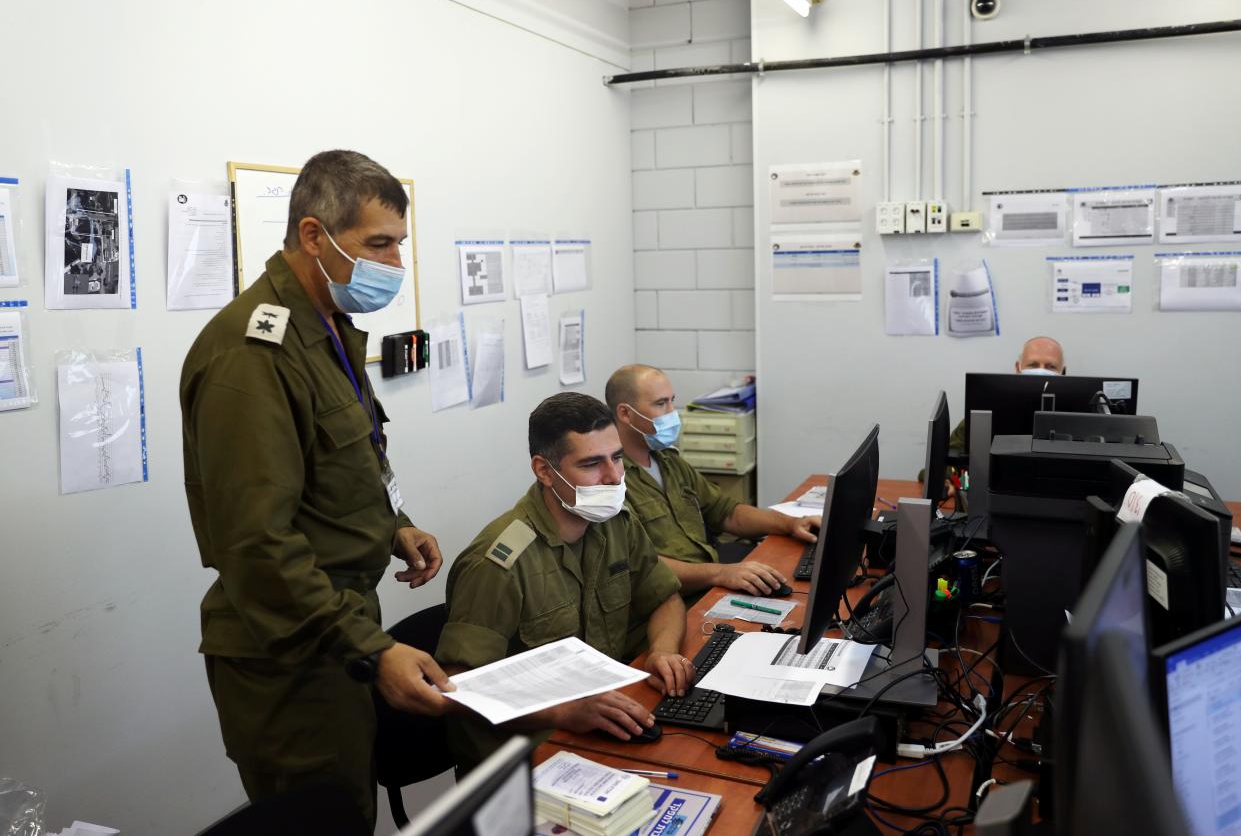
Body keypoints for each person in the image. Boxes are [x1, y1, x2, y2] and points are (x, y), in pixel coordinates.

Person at [180, 150, 453, 828]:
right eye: (378, 244)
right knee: (327, 817)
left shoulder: (328, 326)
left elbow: (345, 462)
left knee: (352, 806)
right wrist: (371, 647)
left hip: (336, 629)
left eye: (399, 245)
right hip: (288, 654)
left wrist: (396, 524)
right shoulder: (252, 352)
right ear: (312, 235)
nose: (393, 264)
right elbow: (257, 543)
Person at [435, 393, 692, 771]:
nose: (614, 477)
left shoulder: (615, 523)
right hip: (525, 758)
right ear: (544, 470)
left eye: (617, 457)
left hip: (598, 728)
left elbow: (664, 596)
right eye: (591, 464)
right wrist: (565, 711)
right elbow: (459, 687)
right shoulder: (499, 562)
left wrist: (663, 651)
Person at [605, 364, 820, 599]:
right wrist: (720, 573)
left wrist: (790, 524)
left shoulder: (669, 461)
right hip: (672, 599)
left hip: (709, 583)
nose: (671, 412)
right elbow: (642, 566)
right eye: (660, 404)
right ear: (625, 413)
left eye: (671, 401)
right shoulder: (612, 481)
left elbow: (726, 512)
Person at [942, 336, 1067, 458]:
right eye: (1033, 365)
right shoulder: (987, 410)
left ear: (1063, 372)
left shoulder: (1078, 415)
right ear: (1018, 368)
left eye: (1051, 367)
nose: (1041, 371)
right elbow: (950, 454)